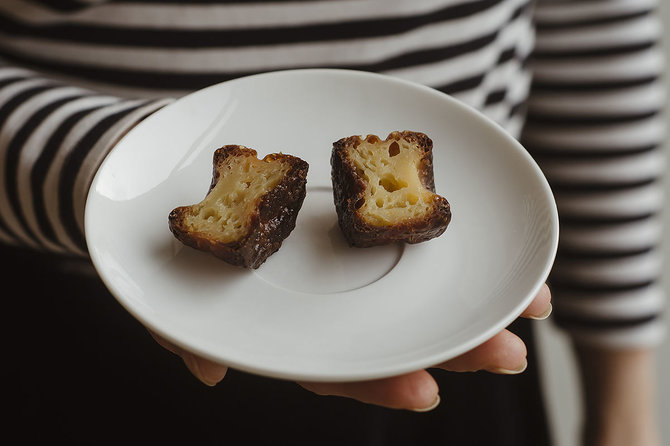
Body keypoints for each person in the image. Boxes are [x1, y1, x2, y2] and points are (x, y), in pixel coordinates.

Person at [1, 0, 663, 445]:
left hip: (453, 328)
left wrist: (624, 404)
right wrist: (119, 171)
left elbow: (597, 31)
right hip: (78, 327)